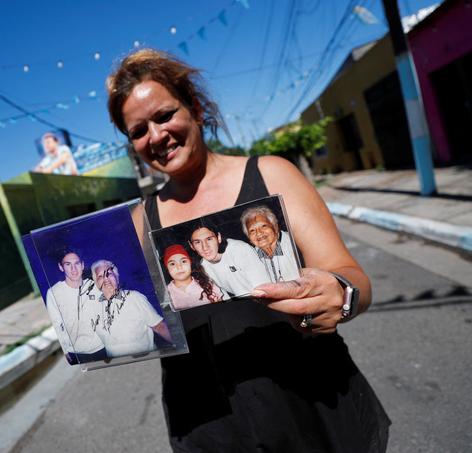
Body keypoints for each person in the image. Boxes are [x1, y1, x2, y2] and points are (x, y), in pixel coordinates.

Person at [107, 49, 390, 452]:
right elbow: (132, 314)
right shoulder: (137, 223)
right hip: (211, 426)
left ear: (196, 108)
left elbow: (350, 276)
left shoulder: (272, 174)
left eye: (165, 115)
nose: (155, 136)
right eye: (137, 131)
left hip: (312, 404)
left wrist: (339, 295)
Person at [90, 259, 172, 357]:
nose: (106, 278)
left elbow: (159, 326)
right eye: (100, 276)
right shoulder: (94, 308)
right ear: (96, 283)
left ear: (117, 277)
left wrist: (179, 346)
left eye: (109, 273)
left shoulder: (134, 298)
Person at [44, 248, 106, 364]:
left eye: (77, 263)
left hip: (103, 347)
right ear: (61, 267)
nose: (74, 269)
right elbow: (56, 324)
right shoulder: (54, 293)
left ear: (82, 265)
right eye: (68, 264)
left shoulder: (95, 285)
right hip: (77, 353)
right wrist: (65, 349)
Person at [188, 220, 268, 297]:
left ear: (218, 238)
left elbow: (264, 287)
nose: (205, 247)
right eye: (197, 242)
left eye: (209, 239)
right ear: (192, 246)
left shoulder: (239, 250)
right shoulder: (203, 266)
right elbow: (223, 296)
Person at [240, 205, 300, 283]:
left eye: (263, 226)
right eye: (252, 230)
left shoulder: (295, 242)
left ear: (275, 227)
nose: (259, 233)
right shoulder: (251, 256)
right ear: (249, 238)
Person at [163, 244, 226, 310]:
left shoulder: (207, 285)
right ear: (167, 268)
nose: (179, 267)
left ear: (190, 263)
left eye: (183, 261)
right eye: (172, 264)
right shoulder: (167, 292)